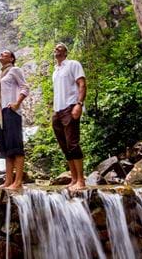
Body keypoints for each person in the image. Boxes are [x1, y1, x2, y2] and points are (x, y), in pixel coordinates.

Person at [52, 42, 87, 190]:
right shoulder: (55, 71)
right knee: (65, 146)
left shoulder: (73, 64)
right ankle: (73, 179)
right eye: (55, 48)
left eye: (60, 48)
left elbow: (82, 84)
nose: (56, 49)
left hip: (70, 106)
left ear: (65, 53)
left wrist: (79, 104)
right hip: (58, 111)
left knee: (72, 143)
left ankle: (81, 180)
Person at [0, 50, 29, 189]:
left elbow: (25, 87)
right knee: (7, 149)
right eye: (1, 53)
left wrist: (17, 103)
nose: (1, 54)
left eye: (5, 53)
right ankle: (8, 181)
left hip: (11, 111)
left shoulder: (15, 70)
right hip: (0, 113)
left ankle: (18, 181)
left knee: (16, 147)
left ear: (12, 58)